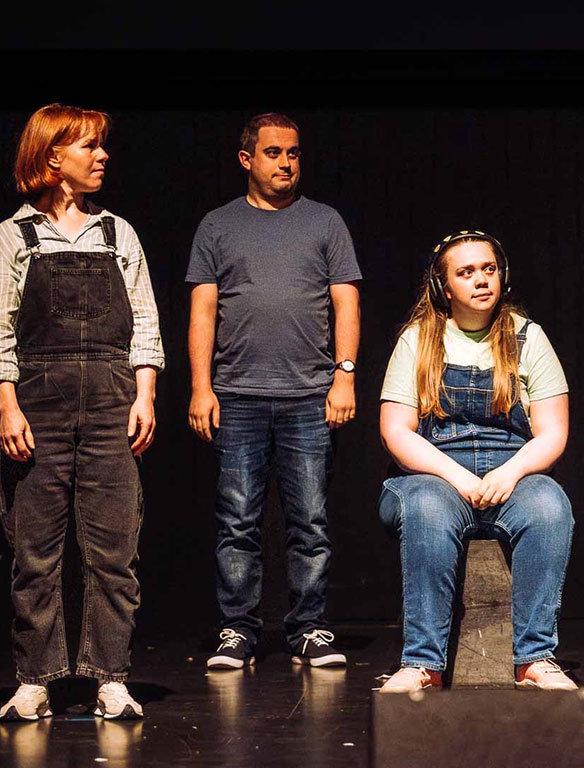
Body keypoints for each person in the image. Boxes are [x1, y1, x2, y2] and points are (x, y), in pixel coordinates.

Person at [0, 103, 164, 721]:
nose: (102, 156)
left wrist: (145, 394)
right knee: (37, 550)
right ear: (53, 157)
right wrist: (7, 405)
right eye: (89, 146)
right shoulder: (12, 236)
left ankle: (110, 676)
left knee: (114, 547)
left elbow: (145, 326)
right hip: (39, 405)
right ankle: (36, 677)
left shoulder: (118, 233)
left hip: (111, 402)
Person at [187, 112, 362, 671]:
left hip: (309, 396)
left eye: (293, 153)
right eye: (273, 153)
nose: (286, 163)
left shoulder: (325, 222)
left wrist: (345, 374)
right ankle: (237, 629)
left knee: (309, 520)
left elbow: (346, 303)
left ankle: (309, 627)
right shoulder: (218, 225)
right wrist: (200, 388)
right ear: (247, 159)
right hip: (236, 394)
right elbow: (203, 310)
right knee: (237, 520)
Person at [376, 230, 577, 693]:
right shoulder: (418, 340)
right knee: (426, 509)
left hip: (512, 469)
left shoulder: (529, 337)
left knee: (549, 507)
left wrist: (509, 472)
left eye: (488, 269)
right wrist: (458, 477)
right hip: (433, 471)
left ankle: (535, 659)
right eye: (466, 272)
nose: (480, 280)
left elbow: (554, 432)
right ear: (445, 288)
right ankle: (422, 663)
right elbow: (396, 431)